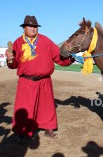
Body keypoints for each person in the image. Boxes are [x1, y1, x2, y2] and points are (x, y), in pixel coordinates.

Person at [6, 15, 75, 144]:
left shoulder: (45, 40)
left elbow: (58, 57)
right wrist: (10, 59)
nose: (33, 29)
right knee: (24, 108)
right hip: (25, 82)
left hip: (45, 81)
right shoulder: (17, 43)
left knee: (46, 106)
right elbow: (13, 64)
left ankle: (48, 128)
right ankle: (22, 131)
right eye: (30, 26)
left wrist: (69, 59)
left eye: (35, 27)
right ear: (24, 28)